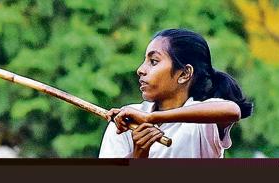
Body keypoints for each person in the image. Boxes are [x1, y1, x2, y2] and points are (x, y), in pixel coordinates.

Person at [99, 28, 253, 158]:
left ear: (184, 74)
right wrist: (138, 156)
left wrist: (151, 118)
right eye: (144, 61)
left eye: (153, 61)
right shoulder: (124, 122)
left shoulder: (202, 124)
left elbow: (233, 110)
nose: (140, 70)